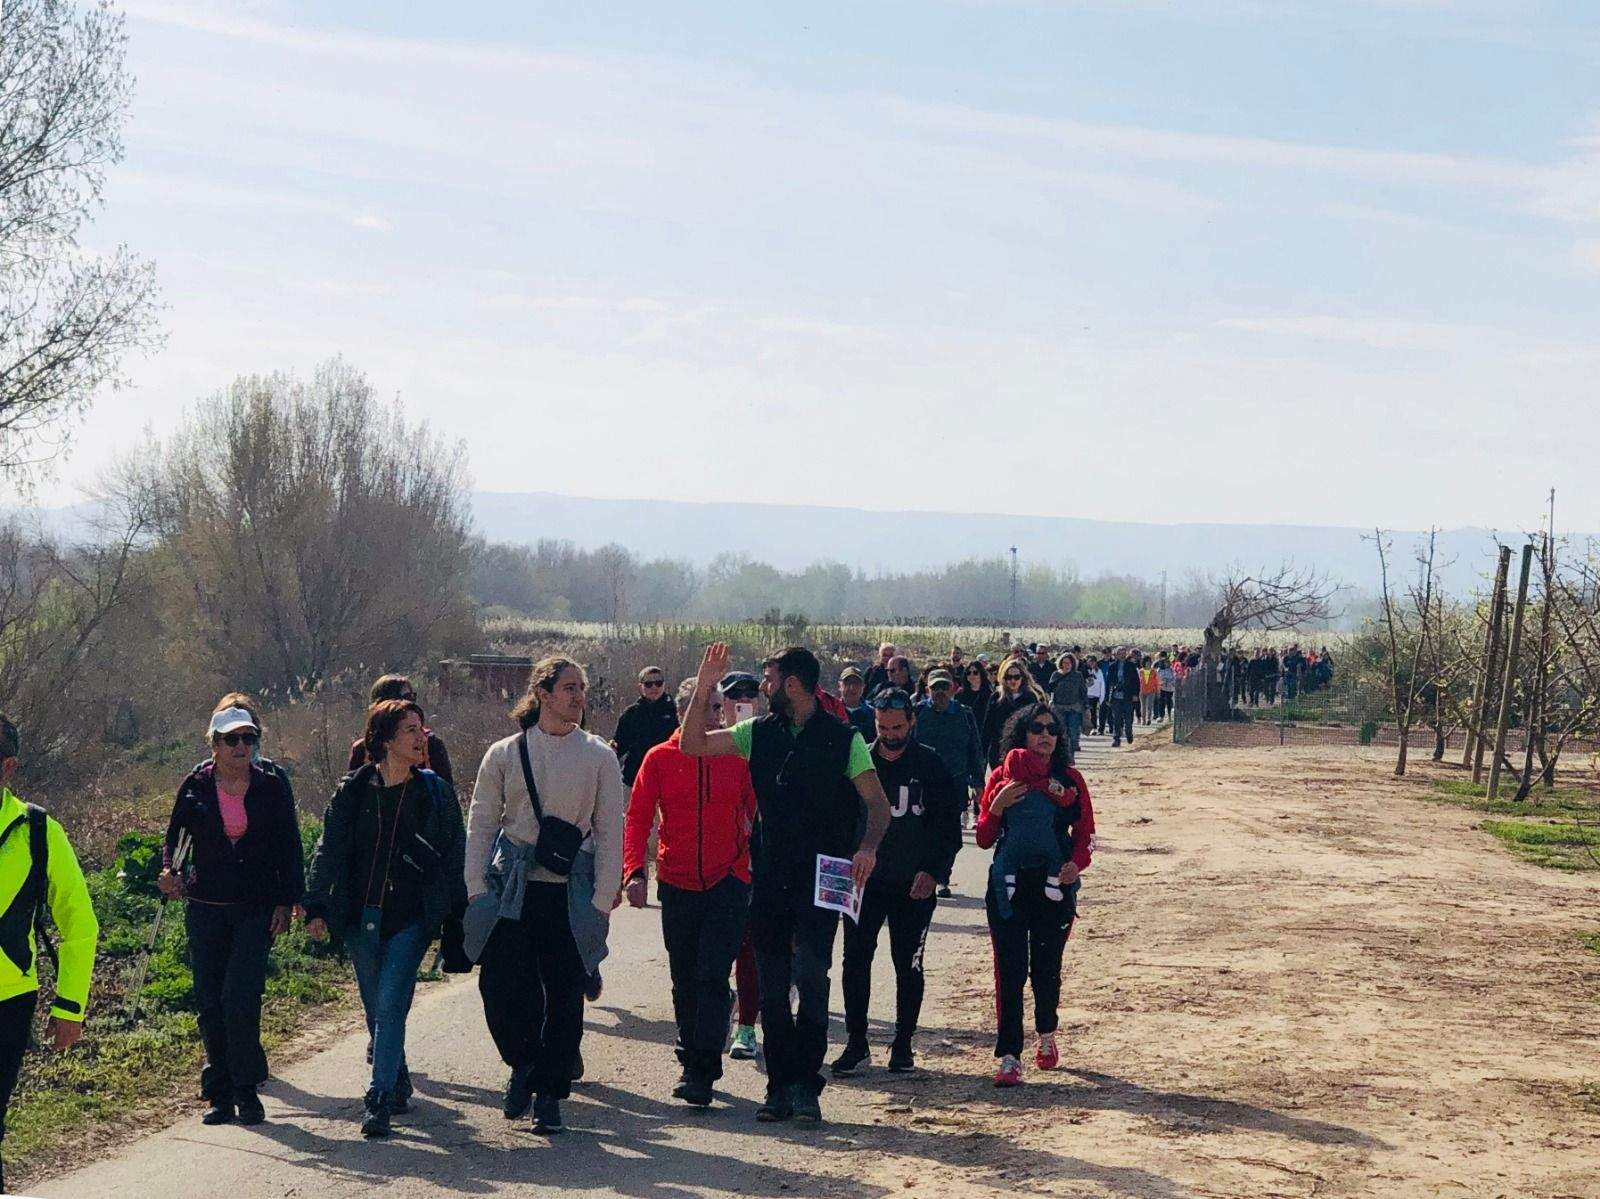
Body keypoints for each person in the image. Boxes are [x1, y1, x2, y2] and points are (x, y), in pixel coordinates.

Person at [680, 643, 890, 1124]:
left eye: (769, 679)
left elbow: (877, 806)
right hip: (770, 876)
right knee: (773, 985)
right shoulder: (757, 732)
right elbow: (693, 744)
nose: (763, 687)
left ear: (792, 684)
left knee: (813, 980)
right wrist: (704, 683)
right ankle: (778, 1087)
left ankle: (806, 1086)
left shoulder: (844, 739)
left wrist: (867, 848)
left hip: (825, 876)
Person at [464, 657, 624, 1136]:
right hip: (512, 889)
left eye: (582, 688)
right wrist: (474, 887)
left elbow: (610, 831)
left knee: (565, 992)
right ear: (543, 693)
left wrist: (602, 898)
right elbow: (481, 823)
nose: (578, 696)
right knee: (500, 985)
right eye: (569, 687)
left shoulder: (598, 755)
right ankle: (523, 1065)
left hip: (570, 895)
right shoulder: (505, 753)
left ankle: (550, 1093)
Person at [304, 700, 466, 1137]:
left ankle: (376, 1100)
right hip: (359, 918)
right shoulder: (353, 791)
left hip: (410, 920)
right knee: (375, 1006)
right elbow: (329, 850)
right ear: (384, 740)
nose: (421, 738)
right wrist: (316, 904)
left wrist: (457, 914)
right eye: (410, 730)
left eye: (422, 728)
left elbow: (455, 856)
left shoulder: (435, 794)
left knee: (392, 1005)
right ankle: (396, 1076)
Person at [160, 701, 303, 1127]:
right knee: (210, 1001)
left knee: (239, 998)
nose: (242, 746)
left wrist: (288, 899)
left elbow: (288, 846)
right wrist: (169, 873)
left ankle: (246, 1089)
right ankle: (219, 1093)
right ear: (215, 744)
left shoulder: (271, 786)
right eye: (232, 739)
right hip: (206, 907)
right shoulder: (195, 786)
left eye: (248, 738)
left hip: (255, 908)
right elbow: (175, 840)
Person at [622, 678, 756, 1106]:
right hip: (678, 881)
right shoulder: (659, 759)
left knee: (711, 975)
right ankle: (692, 1053)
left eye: (719, 709)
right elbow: (638, 818)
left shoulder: (737, 756)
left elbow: (757, 813)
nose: (715, 717)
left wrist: (755, 866)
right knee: (685, 979)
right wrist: (634, 872)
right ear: (683, 712)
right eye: (706, 708)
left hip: (728, 880)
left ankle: (700, 1071)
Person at [834, 690, 961, 1075]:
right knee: (855, 961)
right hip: (863, 883)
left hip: (913, 886)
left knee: (908, 965)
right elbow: (840, 822)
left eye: (898, 727)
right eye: (883, 727)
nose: (890, 735)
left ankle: (903, 1044)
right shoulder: (860, 762)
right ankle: (857, 1044)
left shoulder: (931, 764)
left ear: (912, 722)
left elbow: (948, 830)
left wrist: (934, 872)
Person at [0, 714, 97, 1194]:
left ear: (9, 766)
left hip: (9, 1001)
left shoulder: (38, 831)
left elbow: (79, 923)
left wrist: (69, 1007)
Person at [975, 703, 1094, 1088]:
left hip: (1053, 886)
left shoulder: (1070, 780)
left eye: (1052, 729)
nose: (1045, 735)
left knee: (1045, 969)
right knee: (1009, 971)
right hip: (1008, 888)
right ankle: (1009, 1056)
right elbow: (983, 838)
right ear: (1020, 734)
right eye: (1036, 728)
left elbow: (1086, 835)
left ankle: (1046, 1034)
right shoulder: (1001, 777)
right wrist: (996, 806)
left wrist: (1075, 865)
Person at [912, 670, 982, 845]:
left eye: (944, 686)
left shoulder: (965, 714)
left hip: (955, 782)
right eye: (936, 687)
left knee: (949, 837)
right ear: (928, 689)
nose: (940, 692)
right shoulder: (917, 712)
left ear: (952, 689)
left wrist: (978, 782)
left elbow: (974, 749)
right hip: (924, 783)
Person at [346, 674, 454, 785]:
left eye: (412, 697)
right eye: (405, 697)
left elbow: (446, 795)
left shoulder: (430, 744)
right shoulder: (361, 750)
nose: (409, 703)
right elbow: (351, 794)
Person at [610, 666, 679, 789]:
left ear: (664, 685)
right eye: (648, 684)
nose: (654, 687)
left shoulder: (676, 711)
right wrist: (611, 749)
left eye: (658, 683)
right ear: (640, 687)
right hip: (634, 780)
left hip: (668, 780)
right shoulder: (631, 714)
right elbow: (619, 747)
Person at [982, 655, 1046, 769]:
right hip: (999, 750)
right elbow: (988, 726)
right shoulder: (996, 697)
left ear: (1023, 678)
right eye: (1008, 677)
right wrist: (982, 752)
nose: (1012, 680)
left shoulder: (1030, 698)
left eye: (1016, 677)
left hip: (1022, 750)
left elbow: (1036, 726)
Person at [1047, 653, 1087, 757]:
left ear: (1072, 664)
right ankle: (1065, 756)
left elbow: (1083, 692)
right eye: (1064, 663)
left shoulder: (1077, 675)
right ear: (1061, 663)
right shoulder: (1056, 675)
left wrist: (1086, 707)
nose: (1066, 665)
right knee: (1062, 733)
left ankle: (1072, 753)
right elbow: (1049, 689)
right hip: (1058, 708)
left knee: (1073, 733)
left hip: (1074, 708)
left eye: (1069, 663)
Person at [1108, 648, 1141, 748]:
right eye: (1120, 653)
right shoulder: (1112, 666)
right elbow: (1108, 682)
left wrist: (1135, 694)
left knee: (1128, 717)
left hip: (1128, 696)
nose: (1122, 655)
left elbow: (1136, 681)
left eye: (1123, 653)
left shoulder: (1131, 666)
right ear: (1116, 655)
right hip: (1116, 696)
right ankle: (1116, 738)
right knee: (1116, 718)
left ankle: (1128, 732)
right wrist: (1107, 697)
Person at [955, 660, 993, 736]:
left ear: (981, 674)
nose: (972, 675)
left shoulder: (990, 694)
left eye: (975, 672)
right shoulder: (960, 694)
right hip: (965, 732)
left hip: (983, 732)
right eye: (968, 673)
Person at [838, 667, 876, 741]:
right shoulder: (831, 711)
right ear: (839, 685)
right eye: (847, 683)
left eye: (856, 683)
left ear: (863, 687)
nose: (852, 687)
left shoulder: (872, 714)